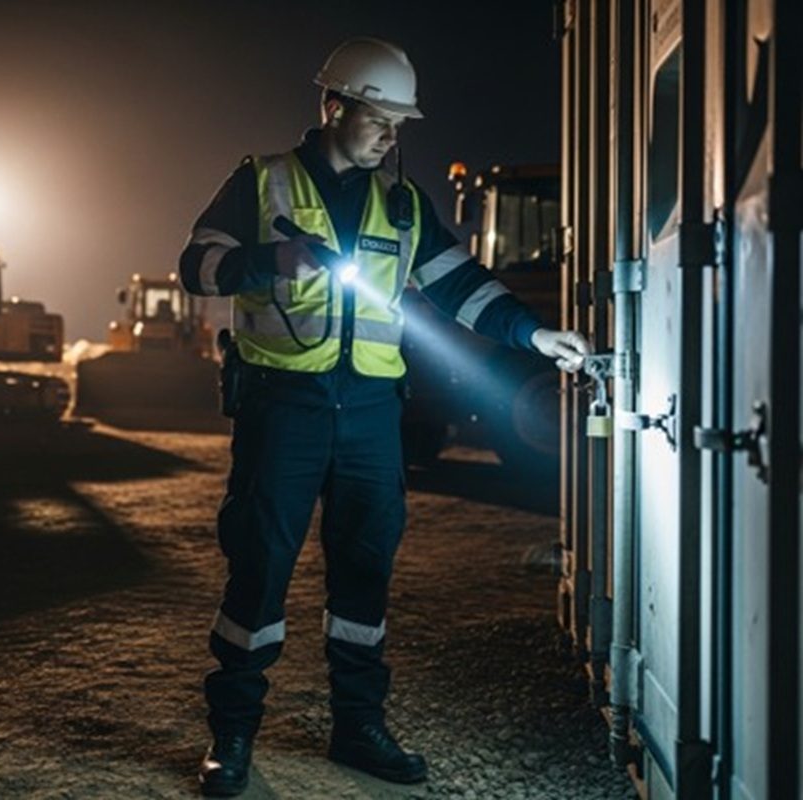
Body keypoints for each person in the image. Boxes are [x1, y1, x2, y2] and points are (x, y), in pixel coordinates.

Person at [178, 37, 590, 797]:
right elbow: (195, 264)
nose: (392, 134)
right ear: (333, 106)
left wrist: (535, 333)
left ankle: (357, 727)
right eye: (380, 117)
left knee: (366, 573)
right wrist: (269, 262)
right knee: (260, 570)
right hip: (283, 411)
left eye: (401, 122)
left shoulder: (401, 205)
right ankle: (232, 735)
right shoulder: (261, 183)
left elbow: (461, 285)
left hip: (371, 416)